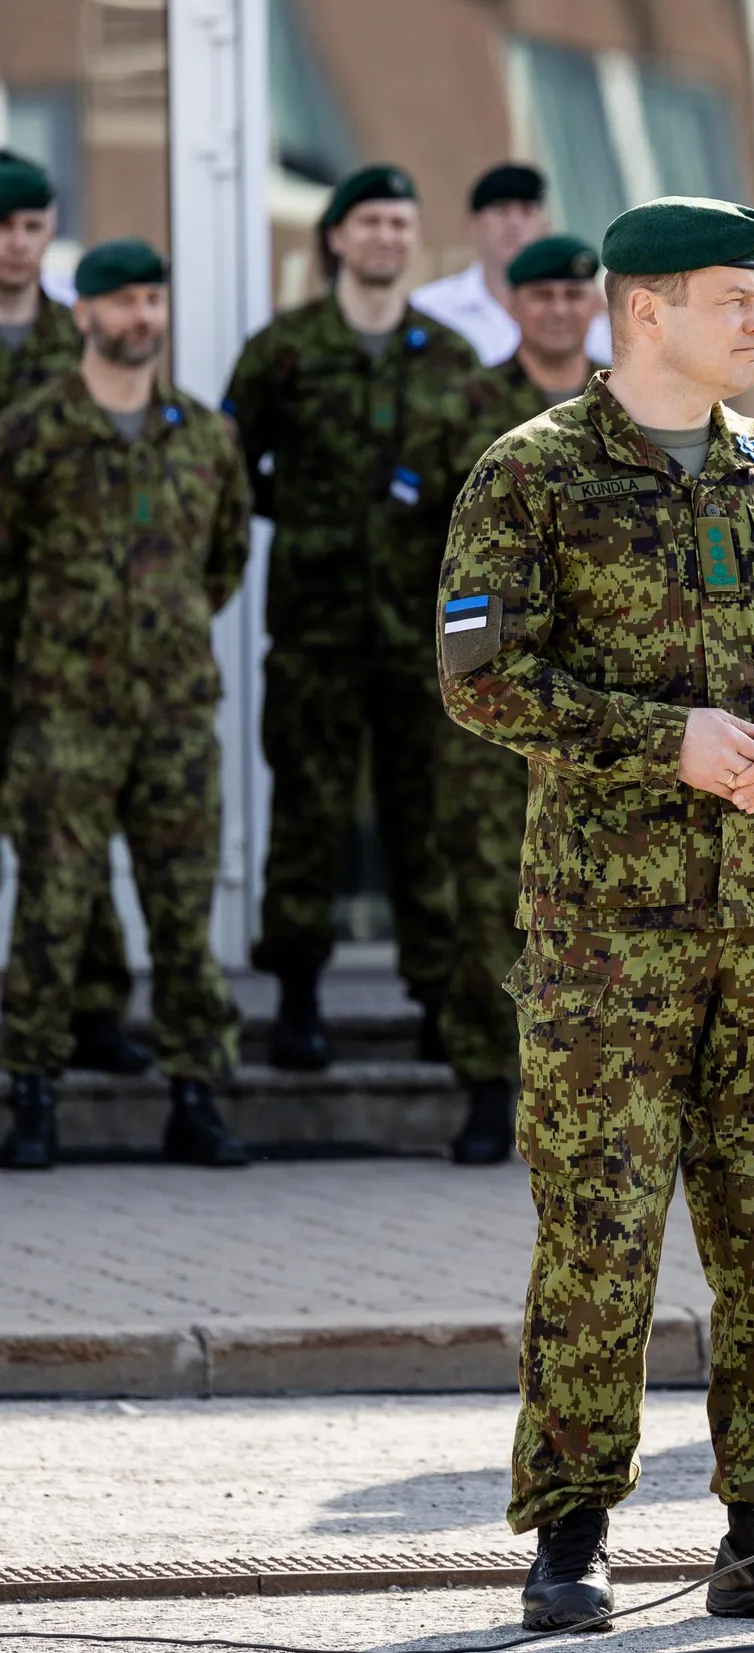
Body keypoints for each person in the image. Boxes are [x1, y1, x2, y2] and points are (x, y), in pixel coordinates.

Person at [438, 195, 754, 1631]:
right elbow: (478, 677)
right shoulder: (533, 473)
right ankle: (569, 1537)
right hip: (604, 932)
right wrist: (663, 738)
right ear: (645, 312)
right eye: (732, 300)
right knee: (600, 1231)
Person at [224, 165, 490, 1069]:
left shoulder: (450, 359)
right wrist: (297, 514)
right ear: (335, 236)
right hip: (316, 627)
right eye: (369, 220)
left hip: (424, 638)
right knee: (309, 811)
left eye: (400, 221)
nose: (385, 236)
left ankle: (435, 997)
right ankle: (297, 995)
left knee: (428, 815)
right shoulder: (283, 351)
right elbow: (226, 469)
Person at [0, 240, 251, 1170]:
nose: (142, 317)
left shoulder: (202, 433)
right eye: (123, 302)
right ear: (85, 315)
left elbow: (221, 561)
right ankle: (31, 1092)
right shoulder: (31, 432)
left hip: (176, 713)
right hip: (63, 711)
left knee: (182, 908)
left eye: (154, 299)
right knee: (51, 906)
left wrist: (161, 632)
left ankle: (197, 1096)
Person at [438, 233, 604, 1165]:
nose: (555, 307)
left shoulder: (623, 409)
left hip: (597, 702)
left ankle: (571, 1079)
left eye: (571, 292)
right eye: (538, 292)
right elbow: (415, 543)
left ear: (595, 304)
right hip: (494, 693)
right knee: (482, 884)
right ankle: (484, 1079)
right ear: (511, 301)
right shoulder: (465, 408)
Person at [0, 153, 140, 1073]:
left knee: (64, 816)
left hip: (59, 624)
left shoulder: (72, 335)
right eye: (5, 228)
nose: (17, 245)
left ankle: (94, 1004)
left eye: (31, 227)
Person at [412, 161, 611, 366]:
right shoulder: (430, 309)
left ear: (545, 225)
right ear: (472, 224)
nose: (514, 224)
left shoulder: (583, 309)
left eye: (527, 211)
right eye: (501, 210)